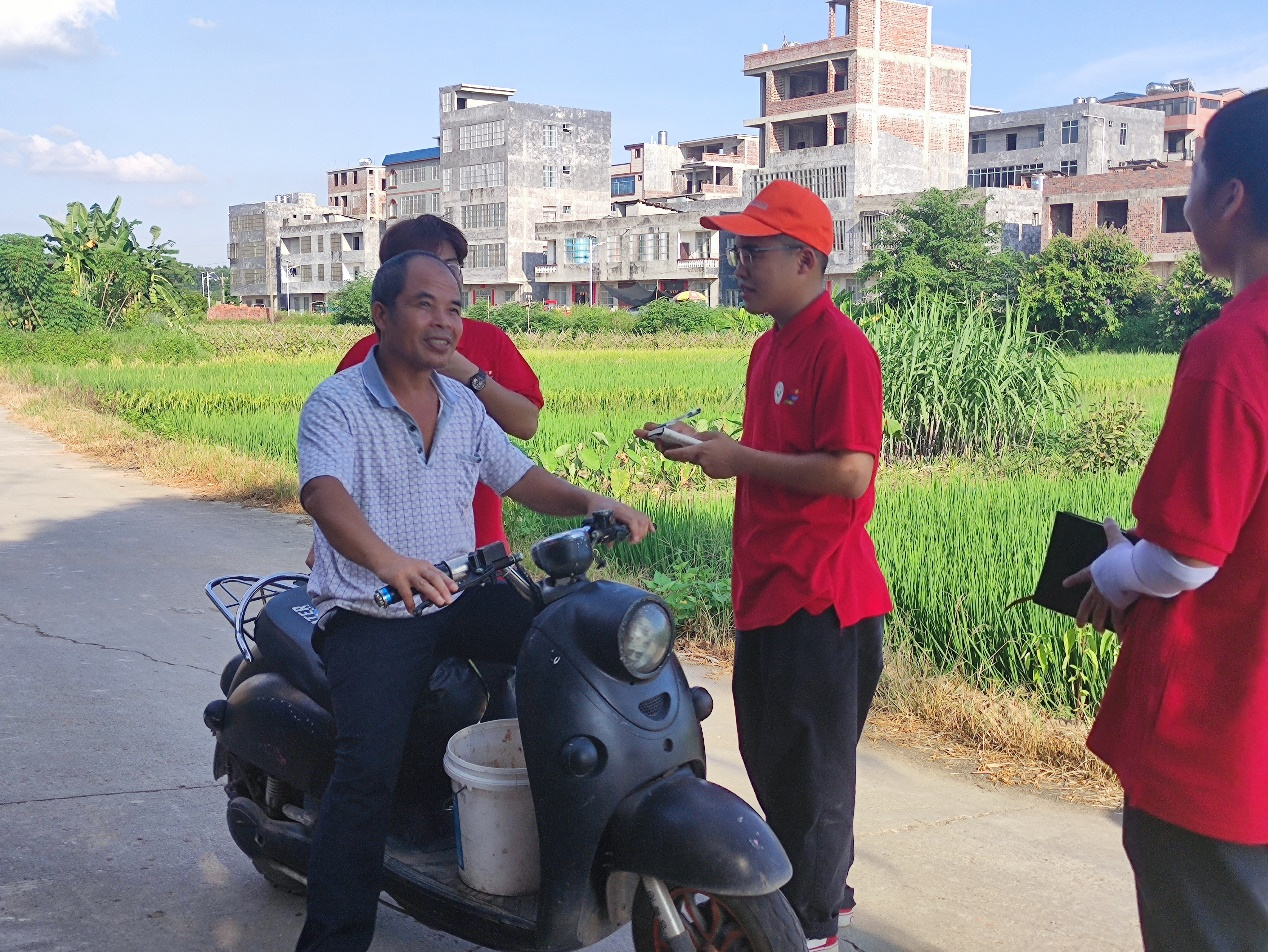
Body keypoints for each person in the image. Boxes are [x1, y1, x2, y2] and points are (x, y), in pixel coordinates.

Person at [295, 249, 652, 952]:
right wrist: (388, 562)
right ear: (381, 315)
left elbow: (523, 478)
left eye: (454, 307)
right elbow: (323, 494)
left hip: (458, 595)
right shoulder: (335, 402)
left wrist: (589, 500)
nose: (444, 321)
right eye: (425, 304)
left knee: (569, 646)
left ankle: (559, 832)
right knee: (366, 776)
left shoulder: (462, 405)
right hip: (375, 611)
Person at [637, 180, 892, 952]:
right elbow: (777, 458)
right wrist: (706, 444)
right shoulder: (768, 347)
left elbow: (851, 472)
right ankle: (812, 908)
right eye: (736, 251)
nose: (738, 265)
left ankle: (812, 931)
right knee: (779, 770)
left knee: (814, 788)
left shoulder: (841, 348)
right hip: (768, 593)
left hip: (823, 598)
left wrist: (735, 457)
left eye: (754, 252)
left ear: (809, 260)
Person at [1064, 88, 1268, 952]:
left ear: (1231, 198)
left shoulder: (1233, 351)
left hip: (1219, 751)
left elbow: (1185, 557)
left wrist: (1114, 567)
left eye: (1192, 171)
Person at [336, 214, 543, 550]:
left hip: (479, 544)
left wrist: (469, 376)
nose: (445, 275)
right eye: (430, 264)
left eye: (452, 264)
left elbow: (526, 425)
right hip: (387, 554)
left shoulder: (488, 341)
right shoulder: (363, 359)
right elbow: (334, 467)